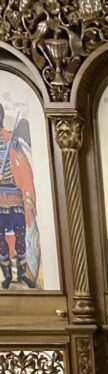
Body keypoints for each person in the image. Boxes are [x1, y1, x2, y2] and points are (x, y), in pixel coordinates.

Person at [0, 104, 37, 289]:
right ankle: (7, 274)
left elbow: (23, 166)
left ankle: (22, 274)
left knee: (21, 235)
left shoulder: (11, 139)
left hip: (14, 193)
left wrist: (17, 154)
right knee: (0, 239)